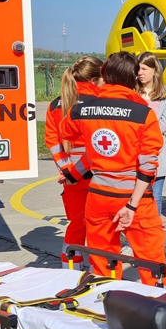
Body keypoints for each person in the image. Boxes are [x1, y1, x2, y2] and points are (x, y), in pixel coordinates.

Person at [60, 51, 166, 285]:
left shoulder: (83, 110)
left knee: (103, 259)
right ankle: (159, 305)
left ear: (105, 75)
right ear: (133, 78)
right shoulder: (143, 114)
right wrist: (131, 205)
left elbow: (71, 135)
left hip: (98, 198)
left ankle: (106, 304)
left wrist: (73, 173)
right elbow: (148, 167)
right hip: (134, 200)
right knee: (151, 261)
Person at [44, 56, 103, 266]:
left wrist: (66, 169)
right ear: (96, 79)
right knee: (100, 229)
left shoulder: (54, 105)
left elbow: (52, 141)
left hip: (70, 178)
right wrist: (78, 170)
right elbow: (97, 145)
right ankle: (101, 274)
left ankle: (70, 271)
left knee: (76, 225)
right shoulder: (98, 104)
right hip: (97, 175)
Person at [136, 51, 166, 217]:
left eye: (144, 68)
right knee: (135, 196)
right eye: (138, 69)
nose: (140, 72)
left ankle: (154, 233)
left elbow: (164, 124)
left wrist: (141, 128)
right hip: (135, 152)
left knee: (155, 196)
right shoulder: (132, 92)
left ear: (154, 69)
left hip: (157, 151)